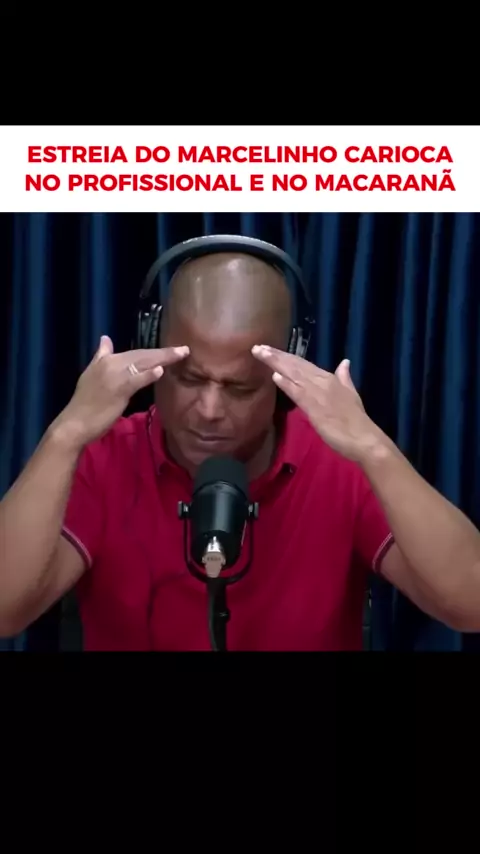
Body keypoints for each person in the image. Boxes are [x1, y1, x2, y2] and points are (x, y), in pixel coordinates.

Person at [1, 248, 480, 650]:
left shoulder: (339, 462)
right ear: (151, 347)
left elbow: (470, 602)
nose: (209, 410)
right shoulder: (104, 457)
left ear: (285, 373)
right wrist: (65, 434)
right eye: (189, 379)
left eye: (241, 388)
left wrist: (374, 448)